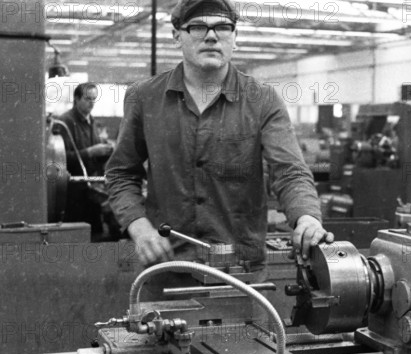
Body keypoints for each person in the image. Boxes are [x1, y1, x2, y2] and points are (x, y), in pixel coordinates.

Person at [105, 0, 333, 280]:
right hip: (167, 270)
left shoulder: (262, 100)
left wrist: (306, 216)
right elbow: (120, 173)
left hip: (241, 274)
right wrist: (139, 227)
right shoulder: (144, 98)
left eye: (223, 27)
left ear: (235, 37)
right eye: (198, 26)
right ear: (177, 35)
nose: (212, 36)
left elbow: (289, 171)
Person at [53, 82, 114, 239]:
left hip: (92, 190)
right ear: (76, 99)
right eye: (88, 99)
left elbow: (95, 158)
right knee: (76, 236)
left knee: (95, 233)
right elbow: (61, 159)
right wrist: (90, 151)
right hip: (73, 190)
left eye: (94, 99)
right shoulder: (64, 122)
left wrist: (106, 150)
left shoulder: (92, 122)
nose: (92, 103)